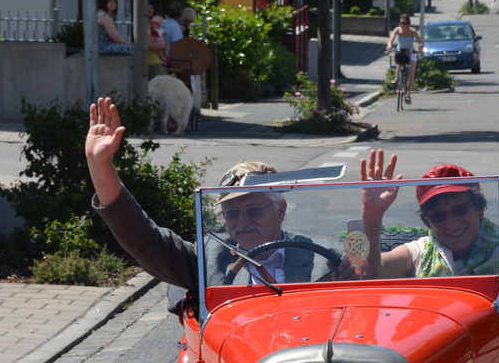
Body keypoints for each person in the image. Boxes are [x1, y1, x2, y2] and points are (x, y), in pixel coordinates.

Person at [84, 98, 339, 287]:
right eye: (231, 214)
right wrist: (99, 164)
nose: (242, 222)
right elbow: (143, 240)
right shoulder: (210, 258)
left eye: (252, 210)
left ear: (280, 210)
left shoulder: (322, 254)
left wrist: (372, 219)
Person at [356, 149, 499, 309]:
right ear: (428, 222)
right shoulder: (420, 251)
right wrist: (372, 216)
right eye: (438, 216)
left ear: (478, 210)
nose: (451, 223)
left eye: (460, 210)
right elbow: (373, 275)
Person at [385, 14, 420, 103]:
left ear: (408, 24)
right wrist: (389, 45)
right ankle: (396, 79)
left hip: (411, 51)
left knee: (411, 72)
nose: (402, 25)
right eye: (400, 23)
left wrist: (418, 49)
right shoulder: (397, 30)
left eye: (404, 23)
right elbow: (391, 39)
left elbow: (420, 43)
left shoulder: (413, 31)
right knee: (399, 62)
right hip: (401, 50)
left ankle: (408, 95)